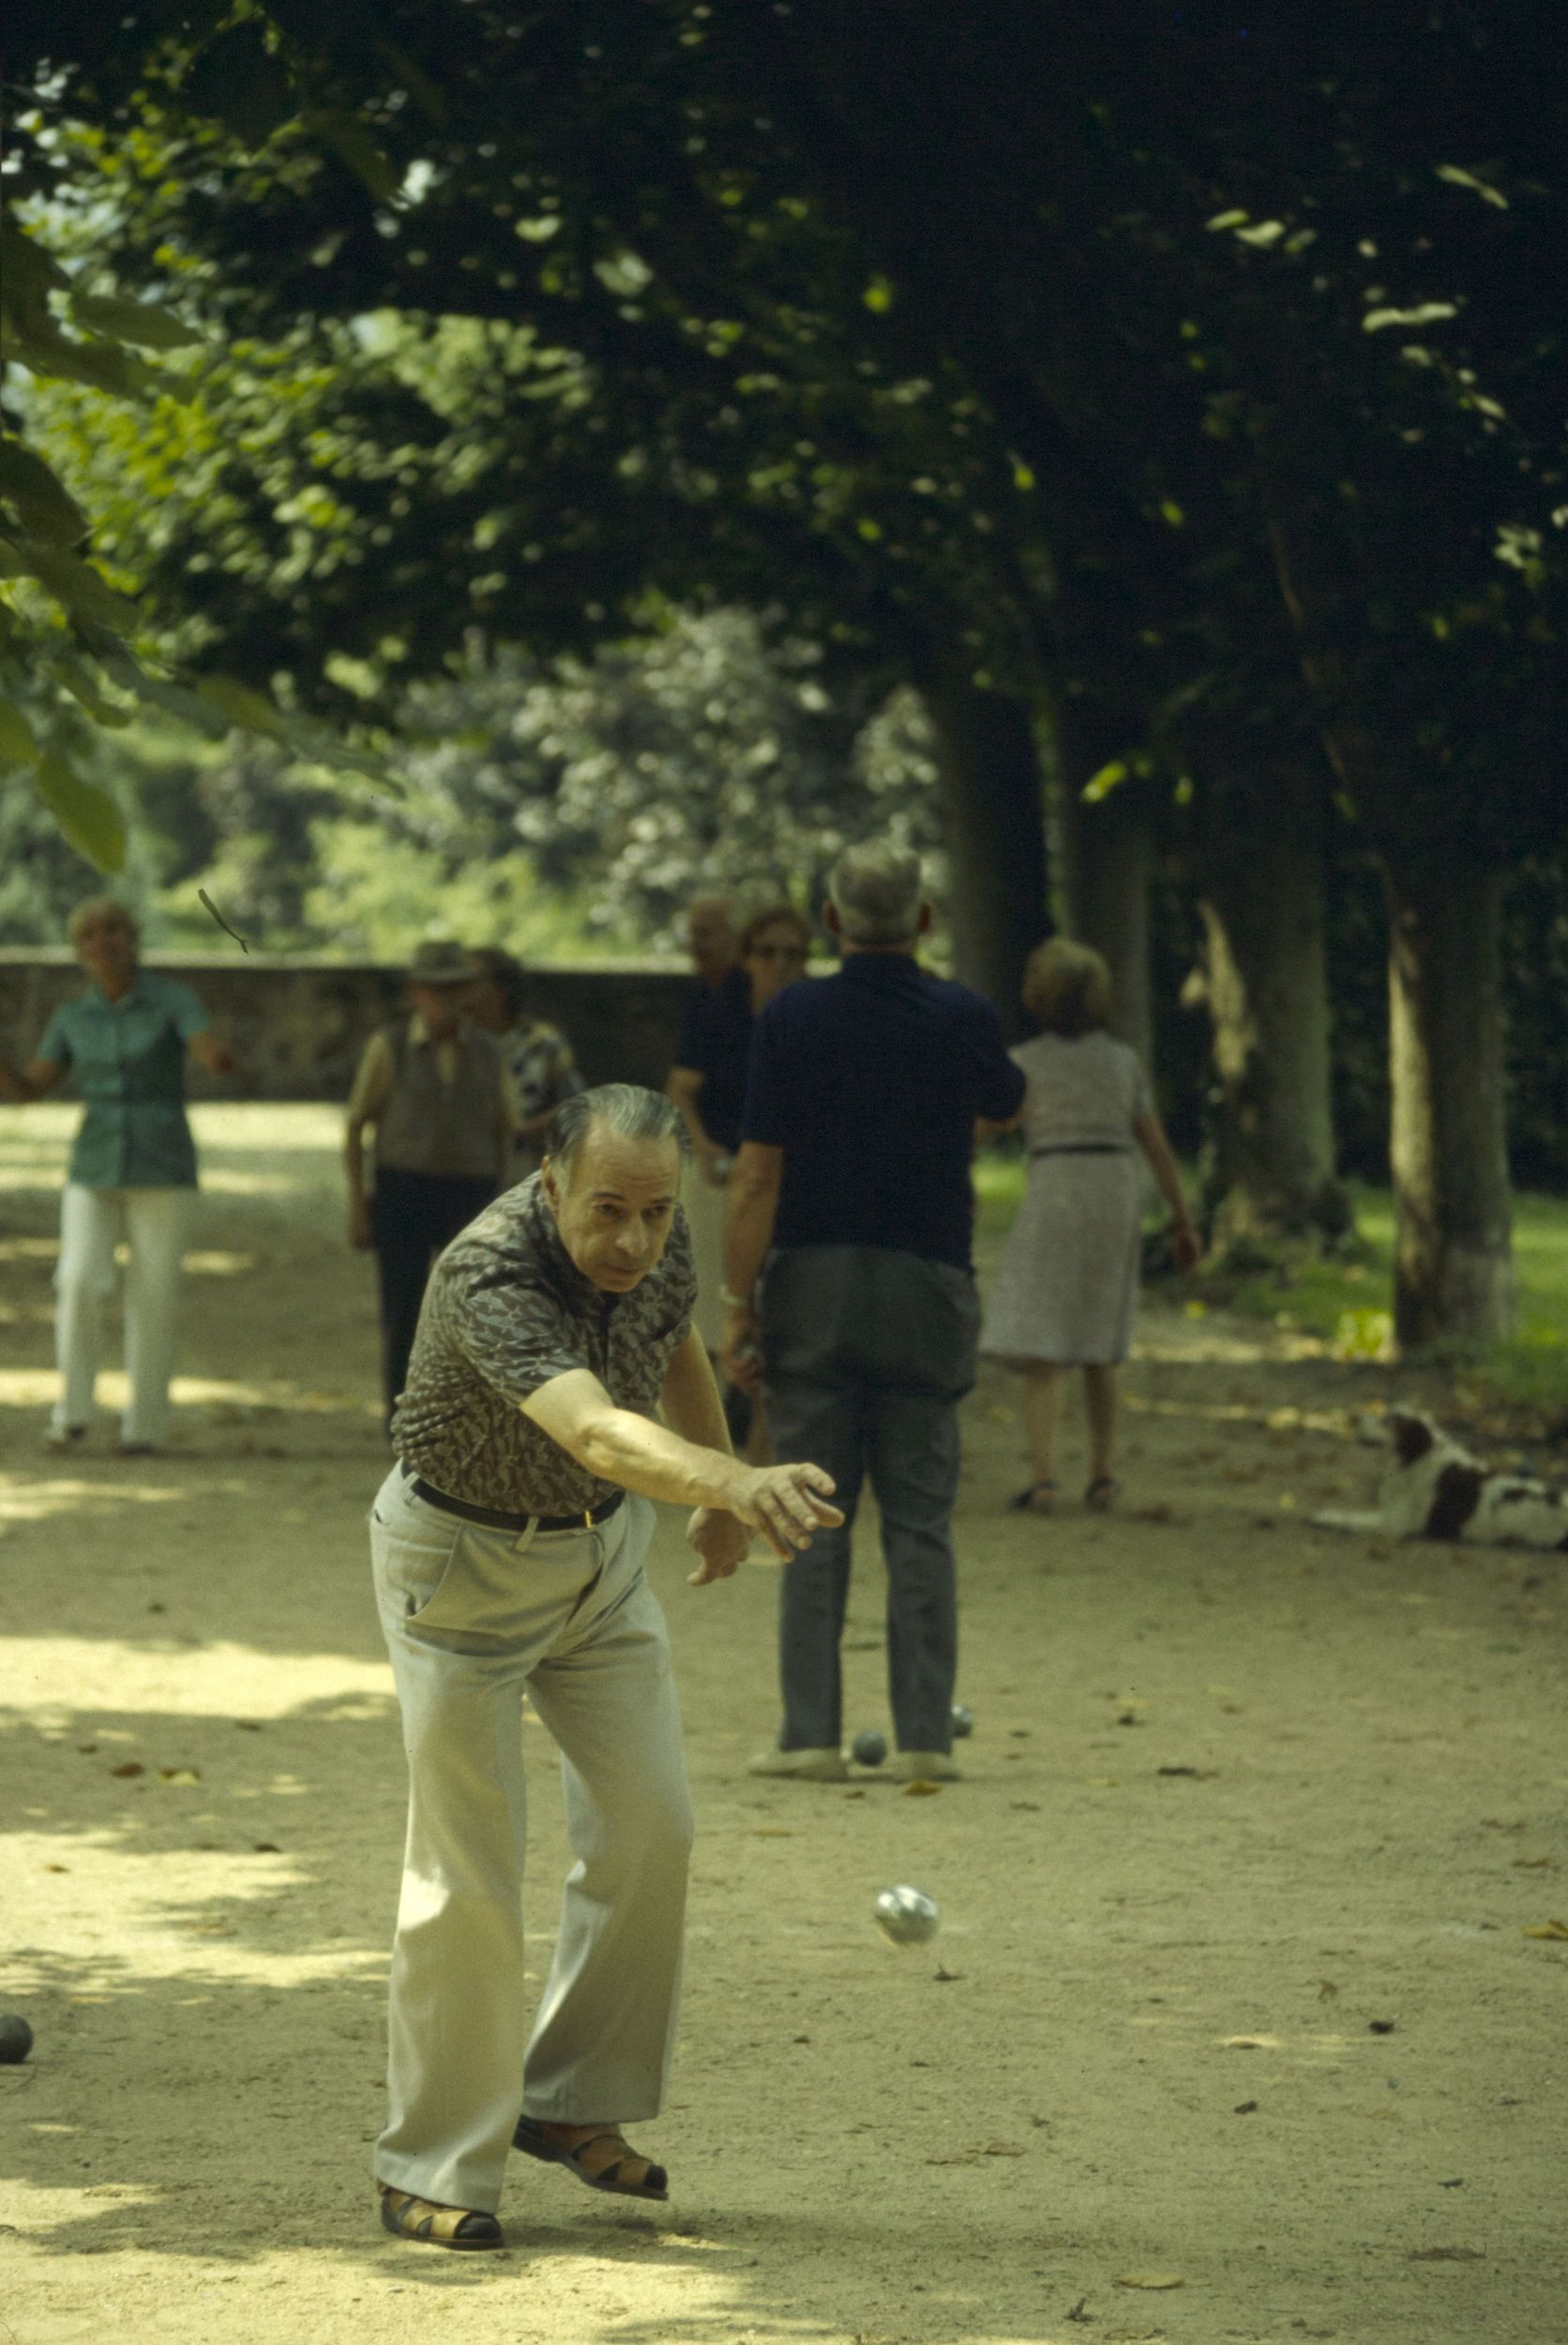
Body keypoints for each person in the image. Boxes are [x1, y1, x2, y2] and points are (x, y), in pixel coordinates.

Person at [369, 1083, 841, 2250]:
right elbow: (590, 1429)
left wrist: (717, 1492)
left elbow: (675, 1343)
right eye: (607, 1212)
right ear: (550, 1189)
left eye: (654, 1212)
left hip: (599, 1565)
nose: (632, 1239)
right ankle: (430, 2162)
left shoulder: (658, 1247)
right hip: (460, 1569)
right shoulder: (488, 1268)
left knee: (651, 1826)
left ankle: (570, 2102)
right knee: (469, 1872)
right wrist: (731, 1484)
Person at [719, 844, 1026, 1784]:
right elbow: (1007, 1105)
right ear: (925, 920)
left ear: (830, 920)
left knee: (810, 1510)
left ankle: (809, 1732)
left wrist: (739, 1302)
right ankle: (925, 1732)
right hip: (928, 1281)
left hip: (814, 1280)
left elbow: (757, 1172)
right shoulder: (965, 1016)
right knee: (920, 1517)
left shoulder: (791, 1016)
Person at [0, 896, 234, 1455]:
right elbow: (34, 1088)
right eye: (90, 936)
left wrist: (217, 1054)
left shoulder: (172, 1000)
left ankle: (144, 1425)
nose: (103, 944)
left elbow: (209, 1052)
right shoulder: (73, 1016)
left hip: (162, 1162)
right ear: (79, 950)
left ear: (133, 940)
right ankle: (70, 1413)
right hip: (95, 1161)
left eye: (113, 932)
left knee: (153, 1293)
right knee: (78, 1279)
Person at [977, 938, 1199, 1514]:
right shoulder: (1121, 1061)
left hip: (1056, 1182)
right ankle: (1102, 1473)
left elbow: (991, 1124)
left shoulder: (1026, 1062)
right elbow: (1154, 1142)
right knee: (1102, 1340)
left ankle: (1046, 1477)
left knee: (1043, 1343)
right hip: (1114, 1187)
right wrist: (1181, 1215)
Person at [345, 939, 517, 1422]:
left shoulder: (488, 1051)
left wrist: (501, 1204)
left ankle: (466, 1416)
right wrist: (360, 1205)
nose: (444, 1001)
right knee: (402, 1309)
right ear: (415, 993)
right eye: (433, 990)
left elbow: (505, 1128)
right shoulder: (391, 1046)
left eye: (454, 989)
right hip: (403, 1186)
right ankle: (402, 1418)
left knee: (473, 1308)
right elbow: (358, 1123)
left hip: (471, 1188)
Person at [667, 901, 812, 1429]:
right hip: (722, 1165)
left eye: (791, 954)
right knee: (710, 1293)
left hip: (785, 1172)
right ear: (747, 956)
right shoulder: (716, 1010)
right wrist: (703, 1148)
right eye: (767, 952)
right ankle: (716, 1405)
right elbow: (681, 1091)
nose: (778, 964)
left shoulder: (812, 1016)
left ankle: (752, 1400)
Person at [466, 946, 584, 1177]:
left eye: (472, 981)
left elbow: (576, 1105)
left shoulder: (541, 1042)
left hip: (525, 1170)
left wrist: (522, 1130)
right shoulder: (459, 1043)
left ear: (501, 989)